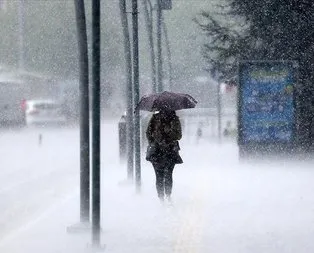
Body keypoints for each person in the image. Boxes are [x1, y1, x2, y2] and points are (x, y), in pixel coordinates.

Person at [146, 110, 183, 202]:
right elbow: (178, 135)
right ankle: (167, 196)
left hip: (157, 152)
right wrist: (168, 137)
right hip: (169, 151)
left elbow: (148, 133)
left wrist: (154, 142)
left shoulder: (155, 118)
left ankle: (162, 198)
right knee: (168, 174)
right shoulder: (174, 119)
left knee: (159, 175)